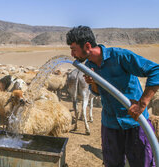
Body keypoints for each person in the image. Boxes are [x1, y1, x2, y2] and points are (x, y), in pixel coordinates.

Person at [66, 25, 159, 167]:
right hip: (110, 124)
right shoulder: (89, 65)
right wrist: (94, 84)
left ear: (87, 46)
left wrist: (141, 104)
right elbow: (97, 92)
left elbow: (156, 71)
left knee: (143, 163)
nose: (72, 54)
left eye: (73, 49)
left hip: (134, 122)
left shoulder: (120, 56)